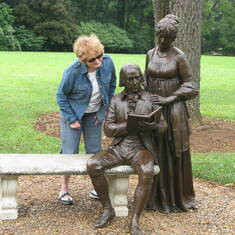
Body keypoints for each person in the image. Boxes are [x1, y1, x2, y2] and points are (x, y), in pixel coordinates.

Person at [87, 64, 167, 235]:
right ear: (123, 81)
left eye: (138, 77)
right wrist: (128, 125)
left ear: (142, 78)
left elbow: (163, 126)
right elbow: (108, 129)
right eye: (130, 78)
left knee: (147, 170)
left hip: (141, 148)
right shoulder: (116, 100)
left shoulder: (151, 98)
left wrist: (152, 126)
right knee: (93, 164)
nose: (135, 81)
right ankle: (108, 209)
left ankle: (135, 219)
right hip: (119, 147)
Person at [144, 14, 198, 213]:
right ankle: (153, 197)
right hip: (152, 110)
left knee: (171, 152)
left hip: (173, 112)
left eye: (167, 37)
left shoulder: (179, 56)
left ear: (173, 38)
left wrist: (168, 99)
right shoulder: (150, 54)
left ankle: (175, 197)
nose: (163, 40)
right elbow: (145, 79)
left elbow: (191, 86)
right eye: (160, 36)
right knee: (153, 151)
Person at [56, 34, 116, 205]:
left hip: (95, 114)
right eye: (92, 60)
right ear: (83, 60)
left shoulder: (108, 63)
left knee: (95, 151)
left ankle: (97, 188)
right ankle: (64, 189)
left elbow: (112, 85)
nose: (98, 62)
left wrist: (103, 112)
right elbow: (61, 96)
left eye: (99, 56)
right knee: (69, 151)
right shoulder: (72, 72)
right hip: (73, 114)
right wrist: (72, 119)